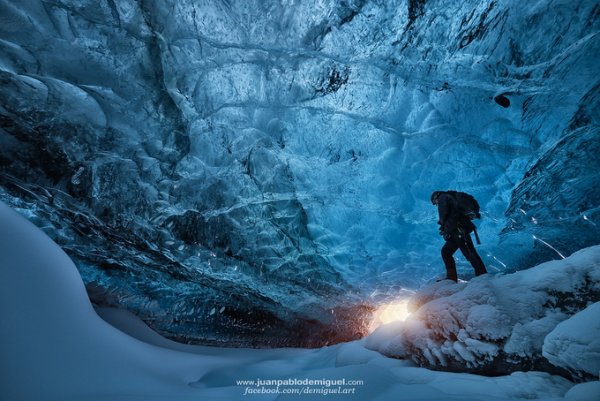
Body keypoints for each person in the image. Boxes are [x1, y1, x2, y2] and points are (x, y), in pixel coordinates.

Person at [431, 190, 487, 281]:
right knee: (446, 252)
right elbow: (451, 215)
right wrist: (445, 229)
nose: (436, 204)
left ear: (436, 197)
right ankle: (451, 278)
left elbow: (444, 212)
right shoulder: (451, 199)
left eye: (435, 203)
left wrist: (442, 223)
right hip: (455, 231)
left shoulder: (443, 197)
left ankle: (482, 275)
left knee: (469, 252)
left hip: (459, 229)